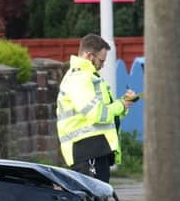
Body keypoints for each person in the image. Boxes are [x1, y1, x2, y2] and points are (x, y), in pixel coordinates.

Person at [56, 33, 136, 183]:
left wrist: (123, 105)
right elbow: (96, 114)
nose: (103, 65)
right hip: (87, 149)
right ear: (89, 55)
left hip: (94, 148)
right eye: (101, 60)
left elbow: (105, 111)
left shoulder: (89, 77)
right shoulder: (80, 78)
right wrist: (120, 105)